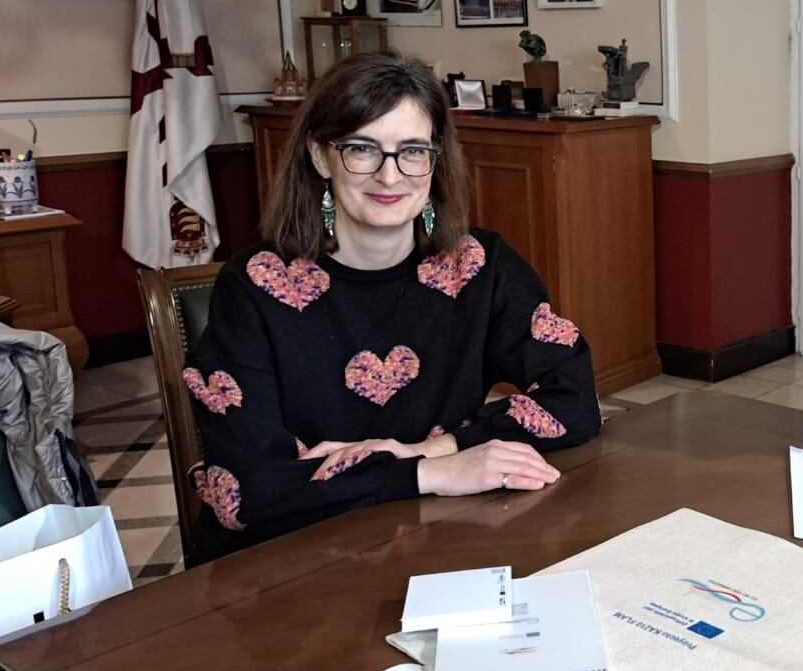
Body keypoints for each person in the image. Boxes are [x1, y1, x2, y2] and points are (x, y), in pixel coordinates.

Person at [182, 53, 600, 554]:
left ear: (435, 160)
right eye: (362, 149)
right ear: (320, 156)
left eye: (413, 151)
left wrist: (432, 449)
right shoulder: (254, 286)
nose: (390, 175)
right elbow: (247, 494)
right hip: (295, 557)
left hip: (436, 536)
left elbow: (576, 400)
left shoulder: (477, 265)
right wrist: (428, 473)